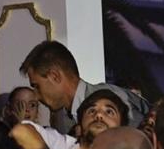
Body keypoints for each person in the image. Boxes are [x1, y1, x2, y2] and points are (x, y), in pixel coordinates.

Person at [18, 40, 147, 133]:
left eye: (36, 86)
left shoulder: (110, 99)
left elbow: (141, 146)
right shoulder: (62, 117)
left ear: (54, 76)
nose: (36, 95)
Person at [10, 88, 127, 149]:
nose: (99, 115)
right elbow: (23, 131)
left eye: (109, 112)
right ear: (80, 125)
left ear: (122, 126)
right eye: (91, 111)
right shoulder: (64, 146)